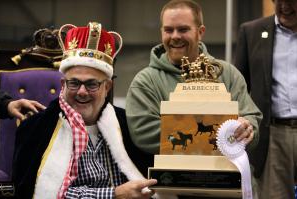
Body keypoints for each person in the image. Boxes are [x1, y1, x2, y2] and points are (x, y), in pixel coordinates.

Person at [126, 0, 262, 196]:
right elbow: (142, 132)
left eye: (183, 29)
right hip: (172, 190)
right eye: (168, 30)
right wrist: (219, 132)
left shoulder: (228, 74)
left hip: (228, 188)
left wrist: (246, 128)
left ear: (201, 31)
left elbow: (251, 117)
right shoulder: (145, 81)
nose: (175, 37)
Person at [12, 22, 156, 199]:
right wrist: (114, 194)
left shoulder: (128, 125)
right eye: (74, 83)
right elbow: (32, 191)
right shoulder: (34, 129)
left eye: (91, 84)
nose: (82, 91)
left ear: (107, 87)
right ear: (63, 85)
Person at [235, 0, 297, 198]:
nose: (285, 7)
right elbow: (240, 89)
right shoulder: (251, 32)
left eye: (292, 1)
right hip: (272, 136)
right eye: (279, 0)